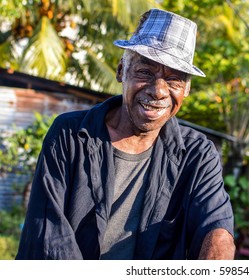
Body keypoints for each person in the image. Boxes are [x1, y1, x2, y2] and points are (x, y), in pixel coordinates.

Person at [16, 8, 235, 260]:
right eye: (145, 72)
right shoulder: (70, 134)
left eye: (174, 80)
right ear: (122, 71)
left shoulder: (198, 153)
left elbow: (217, 227)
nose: (158, 91)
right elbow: (50, 235)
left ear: (186, 90)